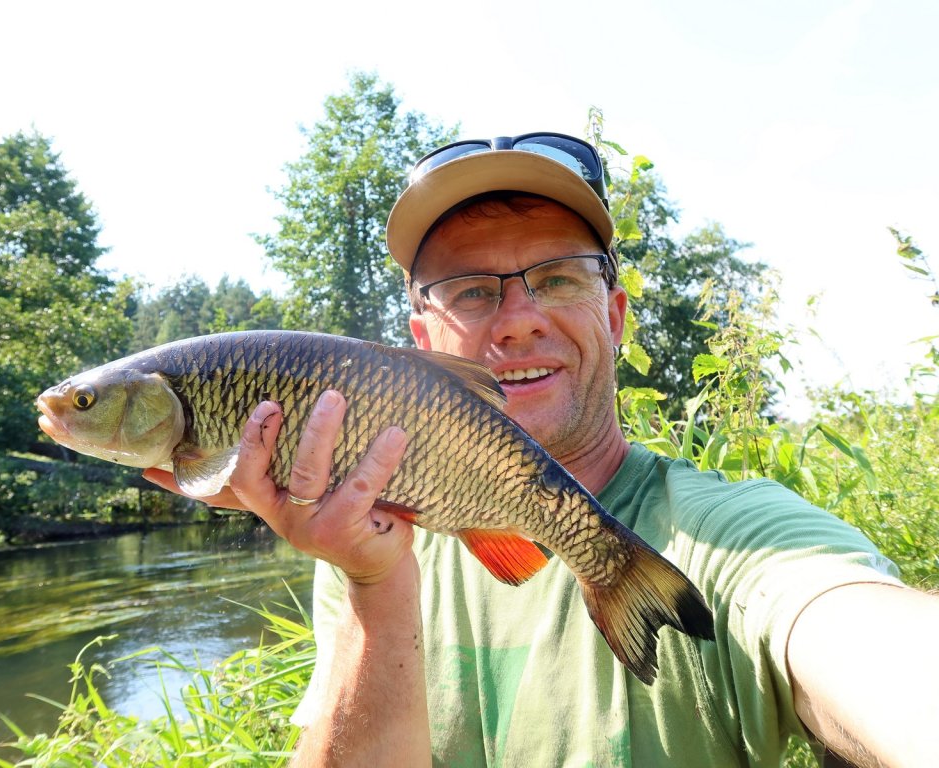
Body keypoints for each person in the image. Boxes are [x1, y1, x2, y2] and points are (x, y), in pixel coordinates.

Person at [144, 133, 939, 767]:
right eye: (472, 292)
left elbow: (877, 654)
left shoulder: (736, 535)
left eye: (557, 278)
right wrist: (371, 585)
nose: (519, 320)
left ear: (616, 317)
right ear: (420, 342)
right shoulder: (358, 538)